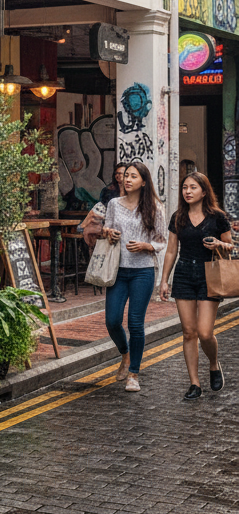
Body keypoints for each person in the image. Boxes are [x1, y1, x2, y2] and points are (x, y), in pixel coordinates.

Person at [159, 171, 233, 399]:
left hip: (210, 275)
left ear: (204, 191)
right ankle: (194, 383)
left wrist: (218, 243)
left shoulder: (217, 217)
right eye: (185, 188)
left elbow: (230, 245)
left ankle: (213, 364)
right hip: (184, 274)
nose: (188, 192)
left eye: (193, 187)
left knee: (205, 332)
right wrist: (164, 280)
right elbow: (171, 250)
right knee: (189, 332)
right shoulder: (178, 217)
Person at [103, 161, 167, 392]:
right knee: (112, 321)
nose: (127, 179)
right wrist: (109, 233)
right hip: (117, 270)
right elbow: (106, 228)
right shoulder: (114, 204)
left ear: (144, 182)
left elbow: (161, 241)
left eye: (133, 176)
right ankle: (125, 354)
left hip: (143, 271)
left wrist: (146, 246)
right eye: (126, 175)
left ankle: (133, 374)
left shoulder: (155, 208)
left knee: (135, 323)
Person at [78, 163, 127, 250]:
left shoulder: (131, 189)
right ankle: (83, 226)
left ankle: (82, 226)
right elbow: (104, 203)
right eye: (117, 173)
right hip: (106, 214)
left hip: (119, 217)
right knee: (95, 212)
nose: (119, 176)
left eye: (121, 173)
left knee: (94, 215)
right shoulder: (109, 189)